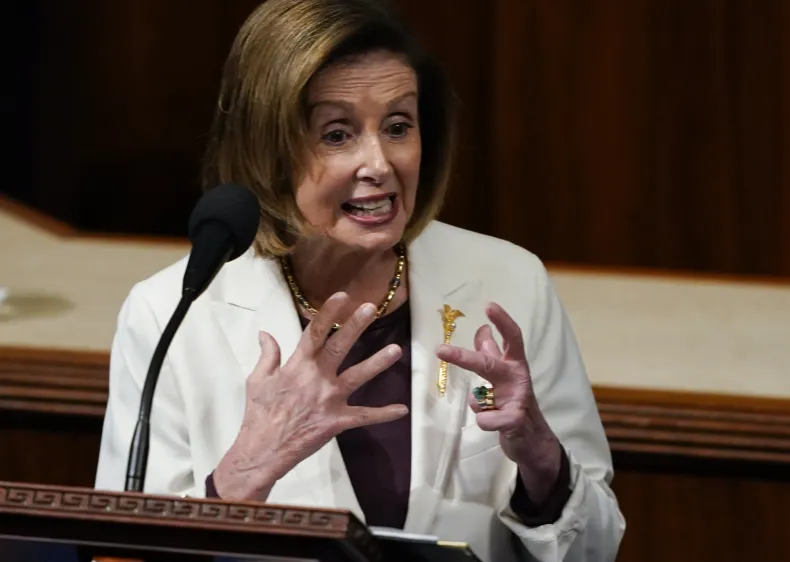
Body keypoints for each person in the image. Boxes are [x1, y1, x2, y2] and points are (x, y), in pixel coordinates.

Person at [94, 0, 625, 560]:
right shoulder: (171, 315)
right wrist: (248, 468)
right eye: (337, 134)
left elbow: (595, 547)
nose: (378, 163)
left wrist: (542, 460)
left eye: (398, 126)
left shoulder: (508, 282)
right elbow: (128, 555)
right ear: (267, 148)